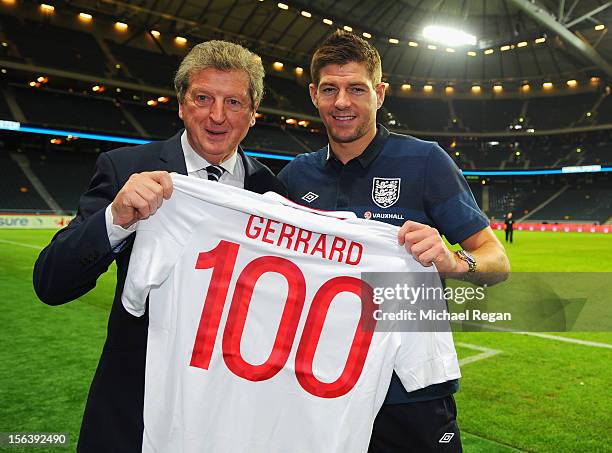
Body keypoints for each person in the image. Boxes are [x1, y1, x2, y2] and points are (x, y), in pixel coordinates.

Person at [33, 40, 285, 453]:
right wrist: (115, 219)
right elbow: (51, 283)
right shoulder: (125, 169)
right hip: (134, 409)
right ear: (182, 104)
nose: (217, 116)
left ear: (253, 114)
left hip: (228, 411)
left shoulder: (273, 192)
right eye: (203, 98)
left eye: (234, 102)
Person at [278, 30, 510, 453]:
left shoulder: (425, 161)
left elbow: (497, 260)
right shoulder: (296, 176)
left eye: (356, 89)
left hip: (410, 390)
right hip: (322, 382)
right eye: (330, 89)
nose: (342, 102)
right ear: (313, 94)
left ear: (379, 93)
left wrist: (454, 263)